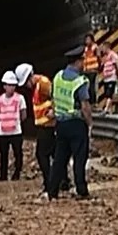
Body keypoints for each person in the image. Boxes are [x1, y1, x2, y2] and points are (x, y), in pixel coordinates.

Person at [44, 46, 92, 201]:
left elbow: (53, 98)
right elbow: (85, 105)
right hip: (76, 123)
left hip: (61, 124)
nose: (83, 63)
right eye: (82, 60)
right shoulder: (80, 81)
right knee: (79, 157)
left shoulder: (57, 77)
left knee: (60, 158)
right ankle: (81, 189)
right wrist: (90, 123)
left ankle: (52, 191)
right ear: (78, 62)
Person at [15, 62, 55, 194]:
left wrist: (54, 111)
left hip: (49, 125)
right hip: (44, 125)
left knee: (41, 154)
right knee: (54, 154)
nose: (26, 86)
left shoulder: (43, 83)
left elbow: (56, 97)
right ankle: (60, 181)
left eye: (26, 82)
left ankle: (50, 184)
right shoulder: (37, 86)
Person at [0, 70, 27, 181]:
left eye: (13, 85)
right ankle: (3, 175)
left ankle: (17, 173)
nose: (11, 87)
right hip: (2, 131)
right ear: (4, 86)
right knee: (3, 155)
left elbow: (24, 114)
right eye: (9, 85)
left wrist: (16, 122)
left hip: (16, 131)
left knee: (18, 154)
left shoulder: (20, 98)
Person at [98, 43, 118, 111]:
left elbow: (116, 66)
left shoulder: (113, 55)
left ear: (107, 47)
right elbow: (101, 66)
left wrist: (117, 74)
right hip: (106, 77)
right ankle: (109, 109)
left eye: (103, 48)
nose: (102, 49)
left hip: (112, 77)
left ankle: (106, 109)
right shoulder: (105, 57)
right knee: (106, 94)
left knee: (109, 94)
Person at [81, 33, 100, 107]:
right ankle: (88, 101)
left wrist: (98, 67)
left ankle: (93, 102)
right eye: (86, 40)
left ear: (92, 40)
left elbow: (98, 57)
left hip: (93, 69)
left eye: (88, 39)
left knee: (92, 86)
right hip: (86, 70)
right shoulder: (85, 48)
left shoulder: (95, 47)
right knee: (87, 87)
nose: (87, 41)